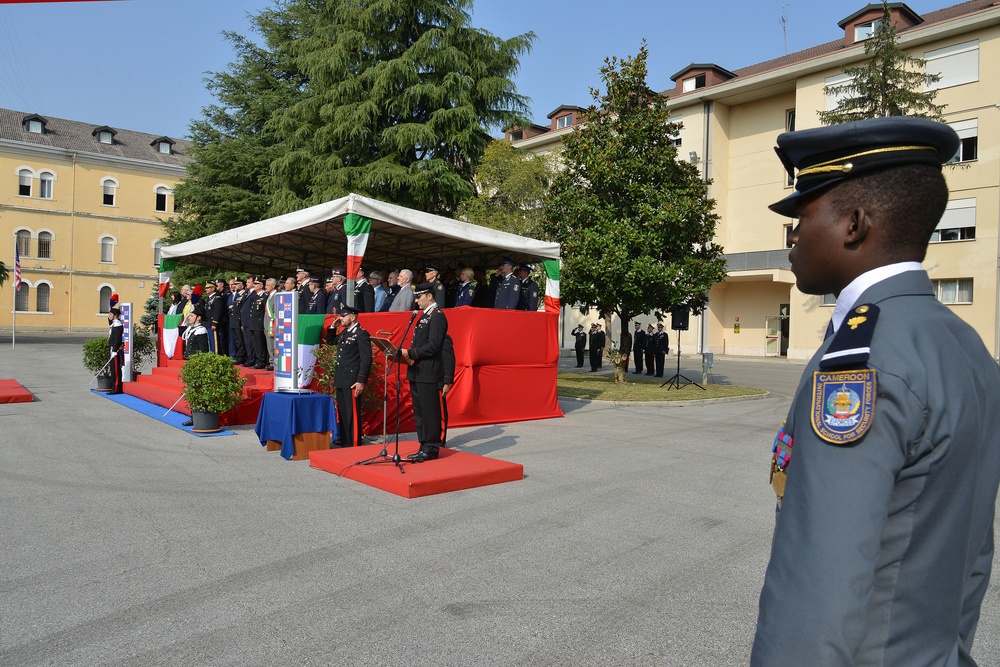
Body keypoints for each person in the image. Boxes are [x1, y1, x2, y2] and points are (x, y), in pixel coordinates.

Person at [751, 116, 1000, 666]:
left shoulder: (860, 364)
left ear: (855, 225)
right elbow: (970, 554)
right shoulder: (966, 345)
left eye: (802, 214)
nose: (792, 237)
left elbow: (819, 588)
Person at [400, 282, 448, 462]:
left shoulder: (437, 316)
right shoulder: (423, 315)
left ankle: (431, 447)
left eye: (419, 296)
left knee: (429, 411)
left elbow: (434, 345)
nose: (416, 300)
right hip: (417, 370)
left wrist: (411, 353)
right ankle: (423, 445)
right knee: (419, 411)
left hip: (428, 371)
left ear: (429, 296)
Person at [333, 303, 372, 448]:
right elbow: (331, 341)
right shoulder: (345, 332)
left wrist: (361, 380)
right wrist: (333, 326)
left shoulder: (361, 333)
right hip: (341, 378)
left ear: (353, 317)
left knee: (352, 412)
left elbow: (366, 359)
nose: (341, 318)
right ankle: (345, 439)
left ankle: (354, 441)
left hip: (352, 379)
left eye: (344, 316)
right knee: (343, 410)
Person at [248, 278, 268, 369]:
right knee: (255, 343)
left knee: (260, 344)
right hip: (253, 323)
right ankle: (257, 360)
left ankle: (262, 361)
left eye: (256, 284)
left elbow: (265, 311)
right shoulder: (255, 296)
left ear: (261, 286)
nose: (254, 285)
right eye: (254, 283)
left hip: (259, 323)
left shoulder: (264, 296)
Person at [228, 278, 247, 364]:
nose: (235, 286)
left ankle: (241, 356)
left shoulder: (244, 295)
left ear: (242, 286)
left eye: (237, 284)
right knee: (237, 340)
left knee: (240, 340)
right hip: (234, 321)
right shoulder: (238, 295)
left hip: (239, 321)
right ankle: (239, 356)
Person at [107, 306, 124, 394]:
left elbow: (118, 339)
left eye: (110, 314)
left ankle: (117, 388)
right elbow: (109, 321)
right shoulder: (114, 323)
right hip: (112, 348)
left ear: (115, 315)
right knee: (113, 369)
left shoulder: (117, 325)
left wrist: (114, 350)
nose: (109, 315)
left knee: (116, 370)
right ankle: (113, 386)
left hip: (115, 350)